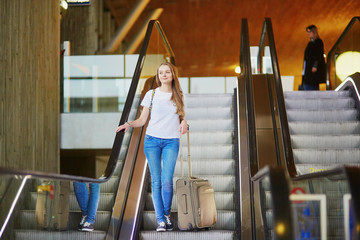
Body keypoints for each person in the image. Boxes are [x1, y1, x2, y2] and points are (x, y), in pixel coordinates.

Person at [116, 62, 188, 232]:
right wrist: (129, 124)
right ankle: (161, 220)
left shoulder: (179, 95)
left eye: (167, 72)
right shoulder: (151, 94)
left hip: (171, 141)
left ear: (172, 75)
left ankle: (167, 215)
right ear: (158, 76)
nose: (163, 75)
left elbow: (183, 118)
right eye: (160, 72)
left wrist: (185, 123)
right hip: (151, 141)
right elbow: (142, 120)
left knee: (166, 180)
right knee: (156, 181)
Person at [301, 24, 326, 90]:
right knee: (310, 84)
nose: (308, 33)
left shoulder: (318, 42)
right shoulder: (311, 42)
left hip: (312, 69)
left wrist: (315, 66)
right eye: (307, 32)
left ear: (314, 32)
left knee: (310, 85)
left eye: (309, 32)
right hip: (309, 68)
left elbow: (319, 55)